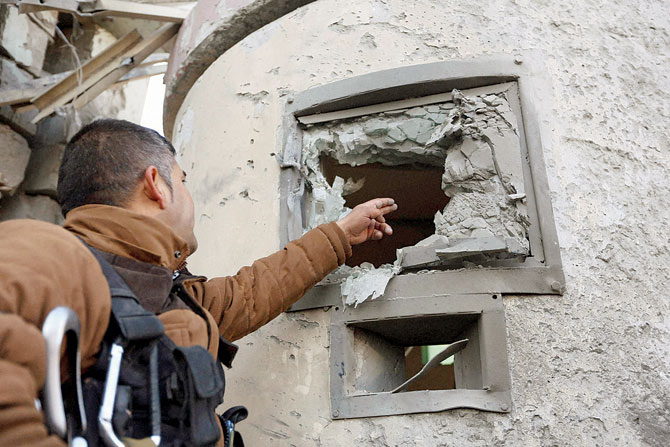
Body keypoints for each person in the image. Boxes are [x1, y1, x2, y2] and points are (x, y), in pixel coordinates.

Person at [0, 119, 397, 446]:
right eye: (182, 179)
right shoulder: (49, 254)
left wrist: (341, 235)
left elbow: (251, 292)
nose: (190, 196)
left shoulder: (165, 290)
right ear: (156, 184)